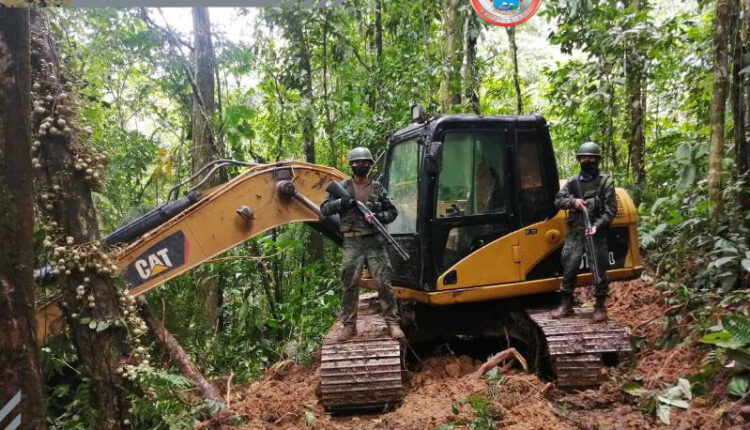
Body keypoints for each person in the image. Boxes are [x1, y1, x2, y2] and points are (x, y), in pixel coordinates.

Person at [320, 147, 404, 341]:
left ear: (370, 165)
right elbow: (324, 209)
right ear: (351, 165)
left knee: (384, 282)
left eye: (365, 163)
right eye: (357, 163)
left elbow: (392, 212)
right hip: (352, 241)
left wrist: (378, 216)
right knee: (349, 283)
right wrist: (342, 202)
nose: (361, 166)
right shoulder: (342, 187)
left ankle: (392, 323)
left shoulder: (377, 188)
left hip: (375, 241)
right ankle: (349, 326)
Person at [551, 141, 617, 323]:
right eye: (584, 158)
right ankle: (566, 305)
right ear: (579, 159)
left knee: (599, 269)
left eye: (591, 158)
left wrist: (597, 225)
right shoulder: (572, 182)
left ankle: (600, 306)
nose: (587, 161)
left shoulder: (605, 182)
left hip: (596, 232)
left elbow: (611, 211)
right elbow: (558, 200)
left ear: (597, 160)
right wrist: (574, 202)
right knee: (569, 267)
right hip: (576, 232)